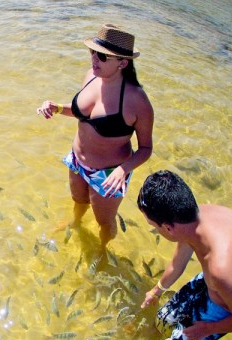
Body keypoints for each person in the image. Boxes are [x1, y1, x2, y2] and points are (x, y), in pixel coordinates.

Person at [37, 24, 154, 249]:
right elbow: (82, 112)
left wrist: (123, 170)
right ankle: (76, 222)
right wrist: (57, 107)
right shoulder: (91, 76)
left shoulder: (137, 101)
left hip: (108, 174)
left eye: (101, 55)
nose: (94, 59)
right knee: (78, 200)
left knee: (105, 221)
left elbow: (146, 148)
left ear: (122, 62)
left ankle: (102, 250)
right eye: (92, 52)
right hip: (76, 161)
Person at [138, 170, 232, 340]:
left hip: (222, 308)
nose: (156, 230)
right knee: (163, 318)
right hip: (213, 283)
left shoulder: (220, 267)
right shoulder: (195, 216)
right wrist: (157, 290)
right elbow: (178, 262)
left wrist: (208, 329)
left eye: (153, 226)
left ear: (167, 228)